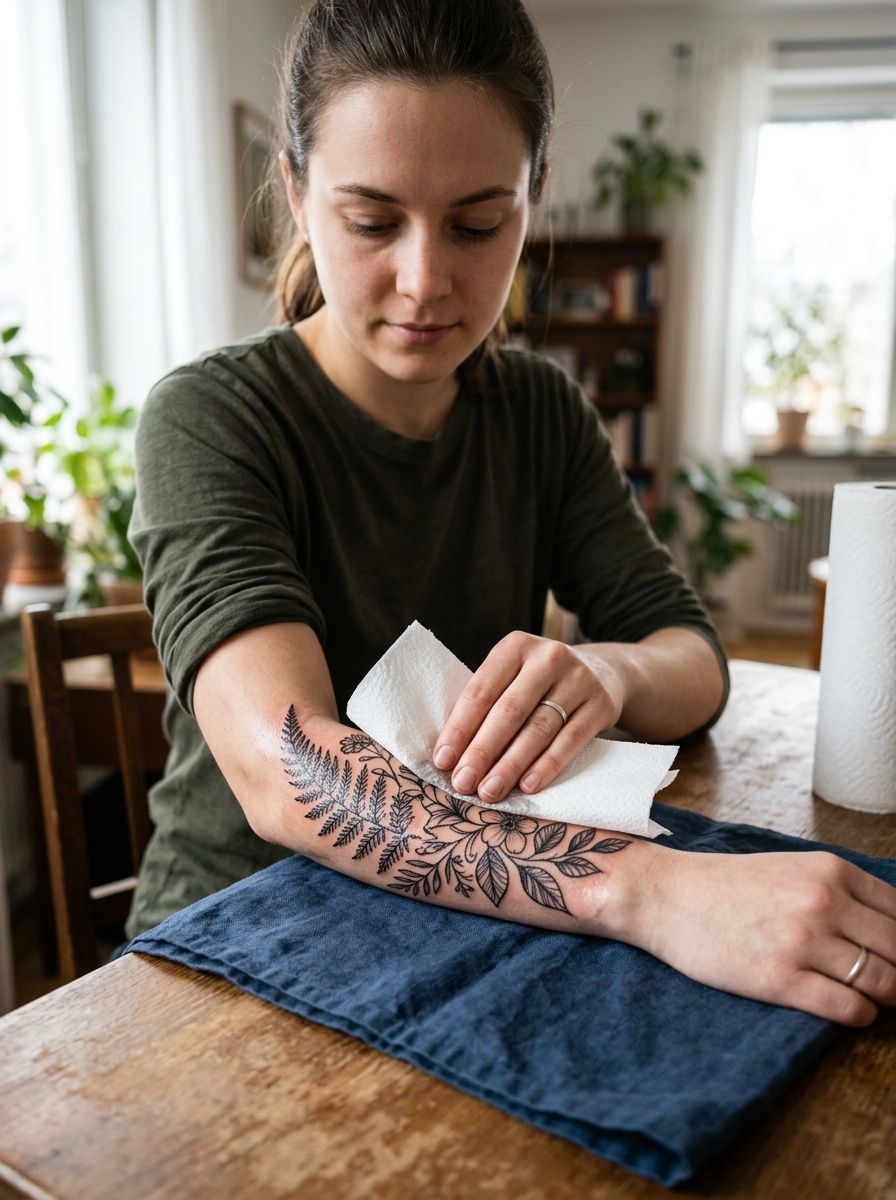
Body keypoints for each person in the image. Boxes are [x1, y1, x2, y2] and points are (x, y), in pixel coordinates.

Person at [125, 0, 896, 1028]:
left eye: (478, 225)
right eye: (372, 222)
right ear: (297, 195)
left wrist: (605, 673)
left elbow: (692, 658)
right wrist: (647, 891)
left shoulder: (539, 411)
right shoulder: (212, 416)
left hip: (462, 923)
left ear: (534, 200)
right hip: (231, 945)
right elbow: (288, 770)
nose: (424, 281)